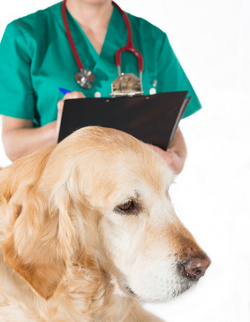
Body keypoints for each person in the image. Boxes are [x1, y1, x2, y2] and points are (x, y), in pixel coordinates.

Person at [0, 0, 201, 174]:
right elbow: (13, 146)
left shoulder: (152, 40)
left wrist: (175, 160)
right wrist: (58, 129)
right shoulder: (24, 36)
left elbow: (173, 134)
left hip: (131, 199)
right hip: (57, 201)